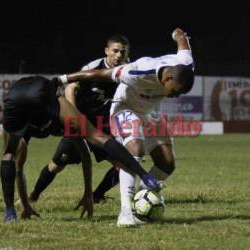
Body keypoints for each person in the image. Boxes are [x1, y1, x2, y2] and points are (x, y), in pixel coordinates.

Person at [58, 27, 194, 227]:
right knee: (134, 150)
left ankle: (143, 197)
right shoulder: (137, 71)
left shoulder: (186, 65)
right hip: (125, 107)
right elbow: (99, 73)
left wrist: (178, 35)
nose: (176, 95)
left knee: (167, 163)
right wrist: (62, 79)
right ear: (167, 78)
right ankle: (126, 213)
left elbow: (183, 43)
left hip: (151, 112)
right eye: (175, 91)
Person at [0, 76, 161, 222]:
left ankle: (10, 212)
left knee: (10, 156)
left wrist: (88, 194)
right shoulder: (63, 114)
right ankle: (145, 175)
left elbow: (19, 170)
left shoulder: (22, 130)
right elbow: (85, 154)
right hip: (36, 91)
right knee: (97, 135)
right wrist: (88, 193)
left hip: (15, 97)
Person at [29, 34, 130, 204]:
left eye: (123, 52)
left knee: (123, 165)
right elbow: (70, 87)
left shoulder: (129, 70)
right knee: (56, 165)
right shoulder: (93, 67)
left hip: (102, 126)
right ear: (107, 51)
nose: (119, 55)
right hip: (81, 123)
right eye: (115, 51)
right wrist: (74, 116)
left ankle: (97, 196)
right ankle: (33, 197)